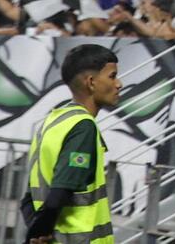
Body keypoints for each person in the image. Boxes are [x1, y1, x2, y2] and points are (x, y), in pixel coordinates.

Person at [23, 44, 119, 244]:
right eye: (112, 76)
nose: (119, 84)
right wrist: (41, 229)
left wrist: (37, 230)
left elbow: (28, 197)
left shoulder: (54, 120)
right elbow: (61, 189)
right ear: (91, 82)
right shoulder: (83, 126)